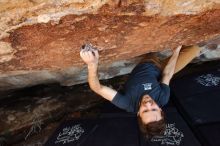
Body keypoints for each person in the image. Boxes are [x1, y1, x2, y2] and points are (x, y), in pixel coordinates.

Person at [80, 45, 201, 139]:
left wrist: (92, 64)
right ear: (161, 110)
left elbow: (98, 88)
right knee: (194, 49)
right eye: (154, 109)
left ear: (138, 114)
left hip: (146, 62)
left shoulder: (127, 103)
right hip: (161, 69)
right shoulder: (163, 98)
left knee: (152, 53)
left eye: (145, 110)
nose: (148, 104)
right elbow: (167, 74)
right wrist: (176, 50)